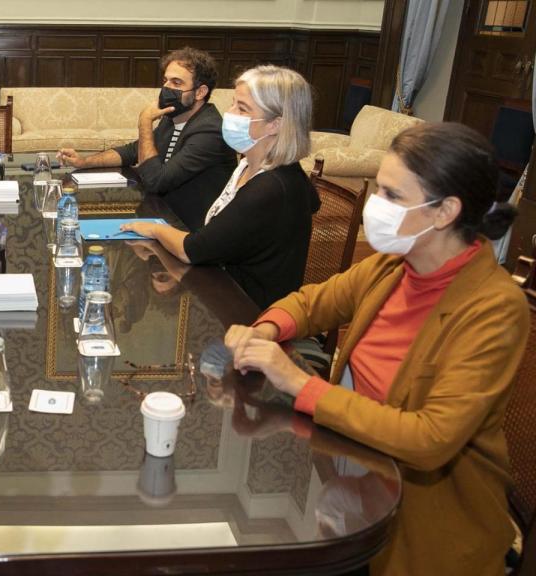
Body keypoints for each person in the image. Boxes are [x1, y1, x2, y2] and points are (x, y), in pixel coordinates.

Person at [225, 122, 527, 576]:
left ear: (444, 211)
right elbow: (313, 302)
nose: (374, 206)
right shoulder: (393, 266)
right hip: (352, 473)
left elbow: (428, 441)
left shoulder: (494, 308)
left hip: (425, 523)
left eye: (392, 195)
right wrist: (266, 329)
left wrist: (299, 384)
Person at [122, 65, 319, 309]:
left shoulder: (271, 187)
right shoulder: (249, 165)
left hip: (251, 315)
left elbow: (192, 250)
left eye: (242, 109)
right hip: (223, 289)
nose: (230, 114)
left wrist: (154, 230)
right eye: (234, 104)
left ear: (275, 124)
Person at [57, 47, 236, 230]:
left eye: (176, 83)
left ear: (199, 92)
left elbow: (156, 181)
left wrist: (145, 122)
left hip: (190, 229)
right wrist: (83, 162)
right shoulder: (172, 117)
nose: (166, 88)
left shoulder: (210, 131)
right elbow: (134, 150)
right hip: (163, 217)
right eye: (165, 81)